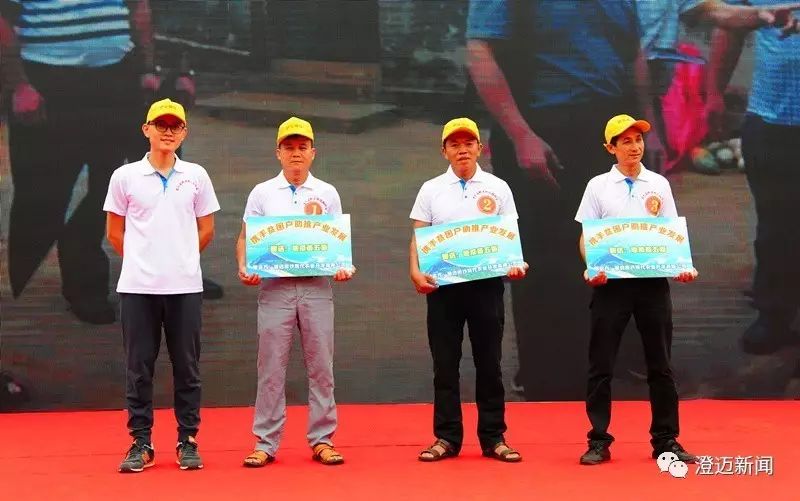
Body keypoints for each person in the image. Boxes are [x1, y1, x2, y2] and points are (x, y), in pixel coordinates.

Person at [466, 0, 662, 401]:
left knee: (612, 250)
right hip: (543, 128)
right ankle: (550, 382)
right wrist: (521, 135)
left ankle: (605, 356)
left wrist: (648, 128)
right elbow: (479, 52)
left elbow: (634, 53)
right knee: (547, 262)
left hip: (608, 126)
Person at [0, 0, 158, 324]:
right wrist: (19, 84)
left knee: (106, 179)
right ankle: (31, 275)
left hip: (116, 74)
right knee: (45, 187)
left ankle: (86, 282)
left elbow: (138, 7)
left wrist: (146, 67)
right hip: (47, 78)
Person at [575, 114, 698, 465]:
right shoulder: (598, 186)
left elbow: (670, 234)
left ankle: (666, 440)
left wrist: (683, 266)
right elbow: (586, 237)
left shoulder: (658, 184)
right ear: (610, 148)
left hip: (652, 285)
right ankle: (598, 440)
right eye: (625, 141)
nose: (634, 146)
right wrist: (592, 265)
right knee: (601, 364)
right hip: (611, 286)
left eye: (638, 139)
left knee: (660, 364)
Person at [104, 98, 220, 473]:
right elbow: (114, 231)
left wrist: (180, 258)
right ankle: (141, 442)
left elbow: (207, 228)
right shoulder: (125, 177)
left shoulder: (196, 175)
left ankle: (188, 440)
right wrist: (142, 261)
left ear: (184, 132)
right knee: (139, 368)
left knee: (187, 366)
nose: (168, 132)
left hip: (185, 287)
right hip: (138, 288)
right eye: (161, 125)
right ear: (147, 129)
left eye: (175, 126)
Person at [236, 117, 355, 467]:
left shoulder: (327, 193)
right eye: (289, 147)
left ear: (313, 152)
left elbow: (337, 243)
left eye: (302, 147)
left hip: (316, 287)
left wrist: (343, 266)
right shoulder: (262, 193)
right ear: (278, 152)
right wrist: (244, 265)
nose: (296, 153)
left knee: (322, 367)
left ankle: (322, 439)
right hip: (275, 289)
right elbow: (245, 239)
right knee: (271, 367)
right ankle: (265, 442)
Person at [409, 117, 527, 463]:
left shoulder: (498, 188)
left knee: (489, 363)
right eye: (455, 144)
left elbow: (509, 237)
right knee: (445, 364)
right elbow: (418, 236)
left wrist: (515, 263)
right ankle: (446, 438)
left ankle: (494, 437)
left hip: (486, 287)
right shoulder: (431, 189)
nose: (462, 150)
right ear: (444, 151)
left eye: (468, 143)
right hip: (443, 288)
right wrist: (415, 271)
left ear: (480, 147)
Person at [705, 0, 800, 355]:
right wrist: (714, 93)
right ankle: (774, 314)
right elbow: (731, 27)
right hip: (770, 120)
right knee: (775, 223)